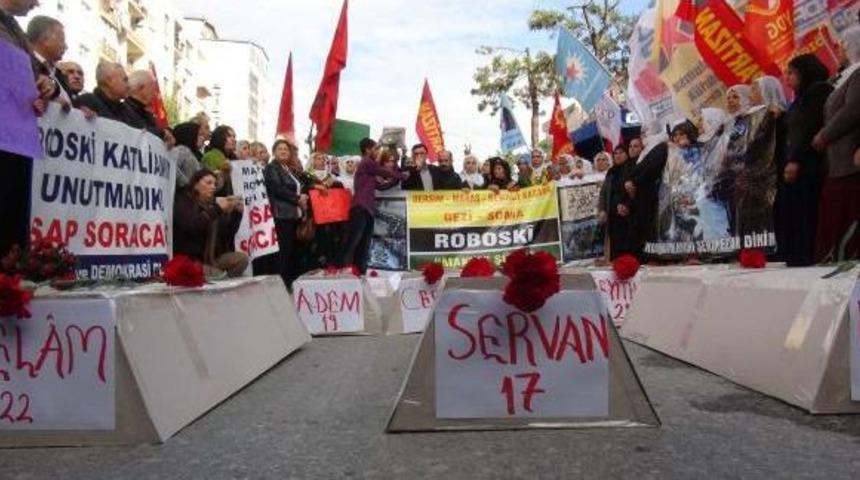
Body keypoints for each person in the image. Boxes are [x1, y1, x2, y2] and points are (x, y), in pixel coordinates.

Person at [0, 0, 57, 257]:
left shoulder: (16, 32)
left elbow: (38, 76)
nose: (37, 3)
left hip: (16, 145)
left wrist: (46, 85)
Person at [813, 26, 860, 261]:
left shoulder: (858, 74)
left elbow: (853, 110)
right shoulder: (845, 76)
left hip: (851, 156)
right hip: (837, 160)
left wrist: (824, 135)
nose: (838, 49)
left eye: (842, 45)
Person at [782, 54, 834, 265]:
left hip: (810, 164)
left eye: (791, 73)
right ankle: (796, 256)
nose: (787, 78)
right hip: (797, 164)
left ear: (805, 72)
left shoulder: (819, 91)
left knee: (807, 212)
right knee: (795, 213)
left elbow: (809, 127)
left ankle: (806, 256)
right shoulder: (800, 97)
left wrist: (795, 160)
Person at [341, 138, 408, 273]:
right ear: (368, 150)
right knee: (353, 243)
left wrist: (397, 176)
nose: (378, 152)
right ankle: (342, 272)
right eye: (376, 149)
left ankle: (359, 273)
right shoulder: (367, 162)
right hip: (360, 207)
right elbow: (385, 172)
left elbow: (382, 186)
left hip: (367, 210)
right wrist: (402, 175)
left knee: (364, 245)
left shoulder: (369, 170)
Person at [173, 169, 248, 278]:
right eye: (208, 183)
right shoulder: (184, 202)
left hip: (212, 259)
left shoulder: (212, 205)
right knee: (218, 275)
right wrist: (218, 209)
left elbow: (227, 235)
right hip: (190, 260)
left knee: (242, 259)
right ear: (195, 185)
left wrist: (237, 214)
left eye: (215, 184)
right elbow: (192, 226)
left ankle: (222, 280)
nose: (213, 187)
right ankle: (221, 281)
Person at [264, 139, 307, 286]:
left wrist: (303, 196)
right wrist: (297, 199)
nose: (283, 151)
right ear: (274, 152)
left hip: (293, 216)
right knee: (283, 252)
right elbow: (277, 189)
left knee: (291, 252)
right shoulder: (271, 168)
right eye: (280, 149)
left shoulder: (287, 169)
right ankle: (279, 284)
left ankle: (288, 282)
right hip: (281, 216)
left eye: (286, 149)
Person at [625, 121, 670, 256]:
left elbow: (652, 169)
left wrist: (634, 182)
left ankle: (653, 256)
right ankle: (645, 256)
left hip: (651, 194)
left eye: (646, 130)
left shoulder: (660, 146)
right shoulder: (648, 149)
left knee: (650, 226)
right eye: (642, 131)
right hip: (641, 195)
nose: (643, 134)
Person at [599, 145, 636, 259]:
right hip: (613, 214)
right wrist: (603, 209)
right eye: (615, 153)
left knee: (628, 245)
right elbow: (604, 192)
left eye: (621, 152)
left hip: (628, 214)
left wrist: (626, 205)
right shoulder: (611, 171)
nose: (618, 155)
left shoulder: (632, 168)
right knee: (616, 246)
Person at [26, 15, 71, 105]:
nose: (66, 46)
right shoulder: (26, 64)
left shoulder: (59, 74)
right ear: (44, 39)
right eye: (61, 40)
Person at [125, 70, 164, 138]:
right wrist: (162, 134)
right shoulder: (122, 111)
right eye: (152, 88)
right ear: (141, 88)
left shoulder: (147, 114)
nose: (155, 93)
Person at [201, 125, 237, 194]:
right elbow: (210, 186)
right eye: (229, 136)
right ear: (220, 138)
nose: (233, 139)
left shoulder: (233, 158)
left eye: (234, 137)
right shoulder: (211, 156)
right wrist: (222, 173)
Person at [172, 122, 204, 188]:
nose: (203, 138)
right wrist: (188, 185)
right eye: (199, 135)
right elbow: (172, 168)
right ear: (190, 135)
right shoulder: (181, 150)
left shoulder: (196, 154)